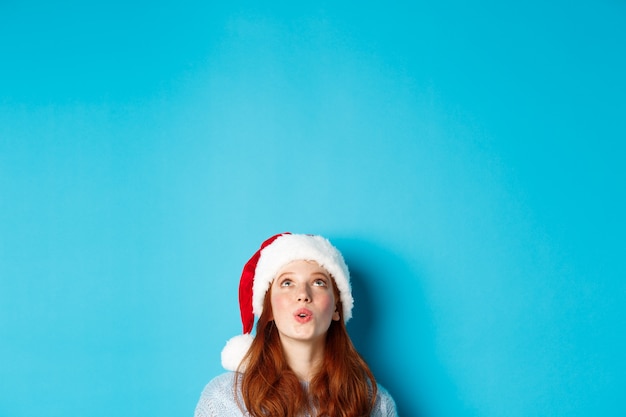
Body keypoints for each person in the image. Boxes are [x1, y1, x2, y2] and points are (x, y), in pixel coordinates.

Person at [194, 232, 397, 417]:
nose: (303, 295)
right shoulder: (222, 400)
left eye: (318, 282)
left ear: (337, 309)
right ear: (269, 309)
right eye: (287, 283)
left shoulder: (376, 403)